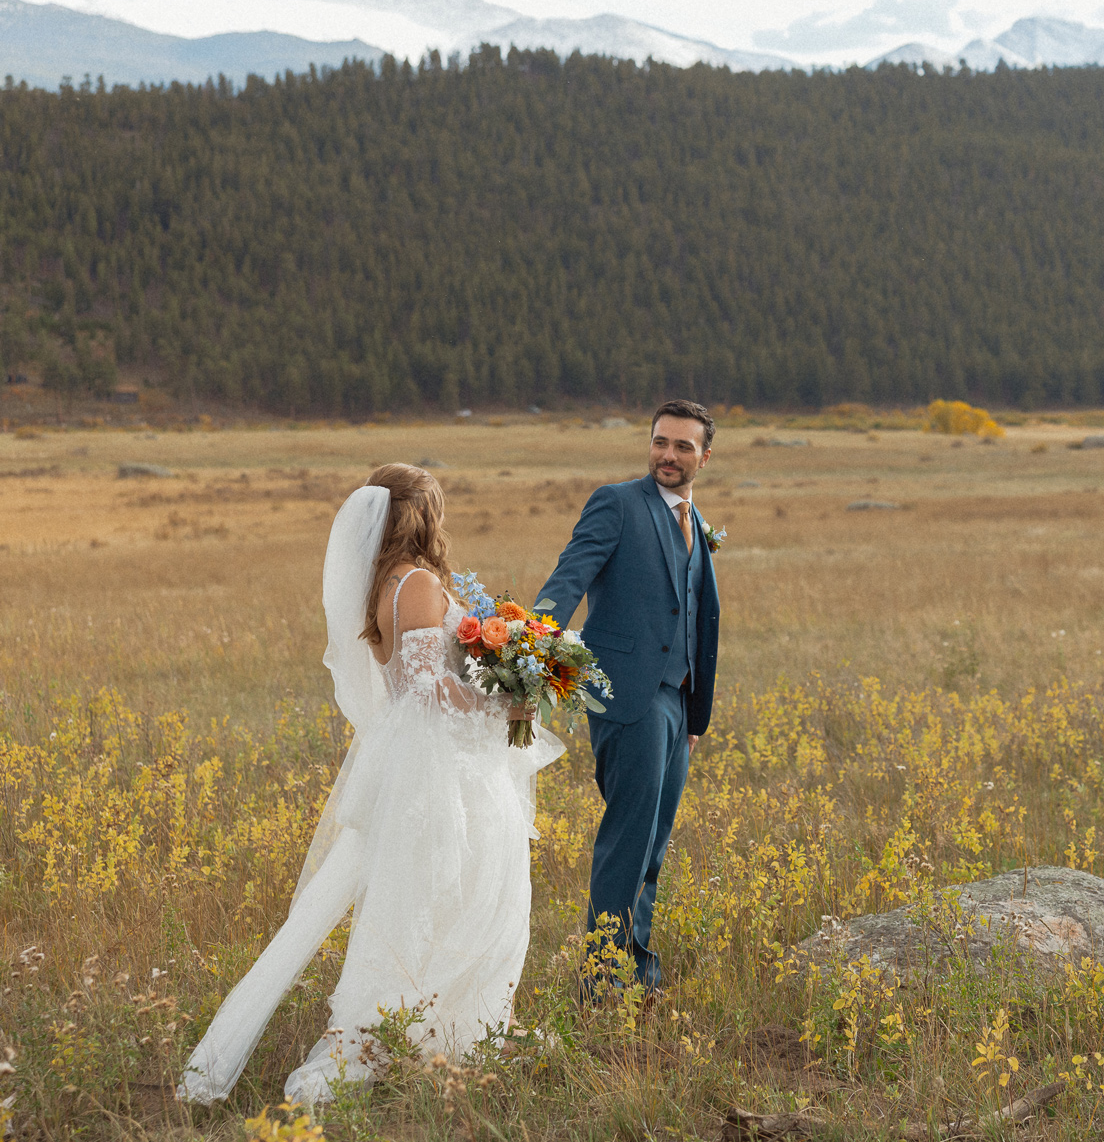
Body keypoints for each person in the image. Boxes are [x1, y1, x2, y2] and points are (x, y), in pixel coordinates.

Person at [179, 464, 564, 1106]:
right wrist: (506, 703)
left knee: (451, 900)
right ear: (423, 514)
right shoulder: (413, 581)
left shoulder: (387, 581)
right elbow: (425, 685)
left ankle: (457, 1031)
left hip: (441, 764)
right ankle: (396, 1039)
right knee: (450, 900)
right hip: (443, 772)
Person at [537, 399, 720, 994]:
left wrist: (694, 708)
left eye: (682, 446)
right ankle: (602, 983)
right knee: (627, 842)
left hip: (677, 703)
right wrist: (531, 641)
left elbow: (692, 611)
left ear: (704, 456)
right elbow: (571, 575)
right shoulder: (617, 502)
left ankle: (636, 970)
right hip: (627, 696)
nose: (668, 455)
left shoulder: (695, 518)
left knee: (655, 845)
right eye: (660, 442)